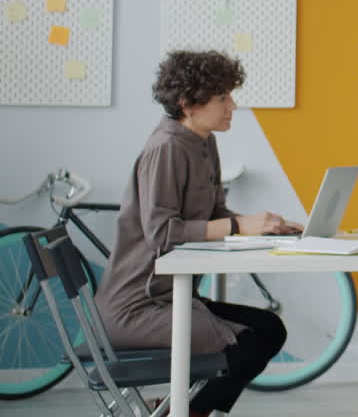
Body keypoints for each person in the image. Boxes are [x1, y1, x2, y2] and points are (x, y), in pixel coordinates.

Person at [95, 50, 299, 417]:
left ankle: (184, 411)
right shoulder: (167, 148)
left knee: (269, 328)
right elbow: (162, 233)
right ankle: (188, 413)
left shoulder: (204, 141)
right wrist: (239, 226)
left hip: (173, 298)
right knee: (247, 345)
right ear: (188, 103)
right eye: (223, 97)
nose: (232, 105)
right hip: (137, 307)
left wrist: (267, 229)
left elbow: (216, 213)